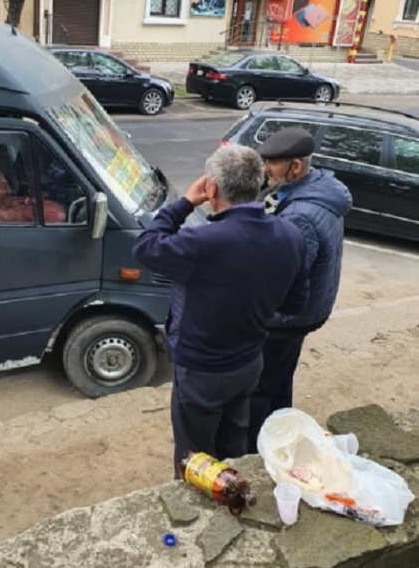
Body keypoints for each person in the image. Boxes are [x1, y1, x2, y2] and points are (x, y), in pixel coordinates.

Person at [132, 145, 309, 470]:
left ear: (211, 189)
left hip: (202, 369)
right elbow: (296, 301)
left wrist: (184, 203)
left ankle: (200, 515)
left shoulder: (203, 242)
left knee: (195, 459)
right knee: (234, 443)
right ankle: (234, 499)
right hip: (249, 362)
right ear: (259, 183)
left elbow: (145, 247)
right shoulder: (291, 235)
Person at [247, 127, 352, 453]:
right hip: (309, 310)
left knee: (260, 389)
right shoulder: (320, 190)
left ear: (295, 167)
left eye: (273, 164)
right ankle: (283, 435)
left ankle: (257, 452)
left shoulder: (300, 215)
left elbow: (288, 278)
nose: (266, 169)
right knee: (281, 379)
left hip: (289, 317)